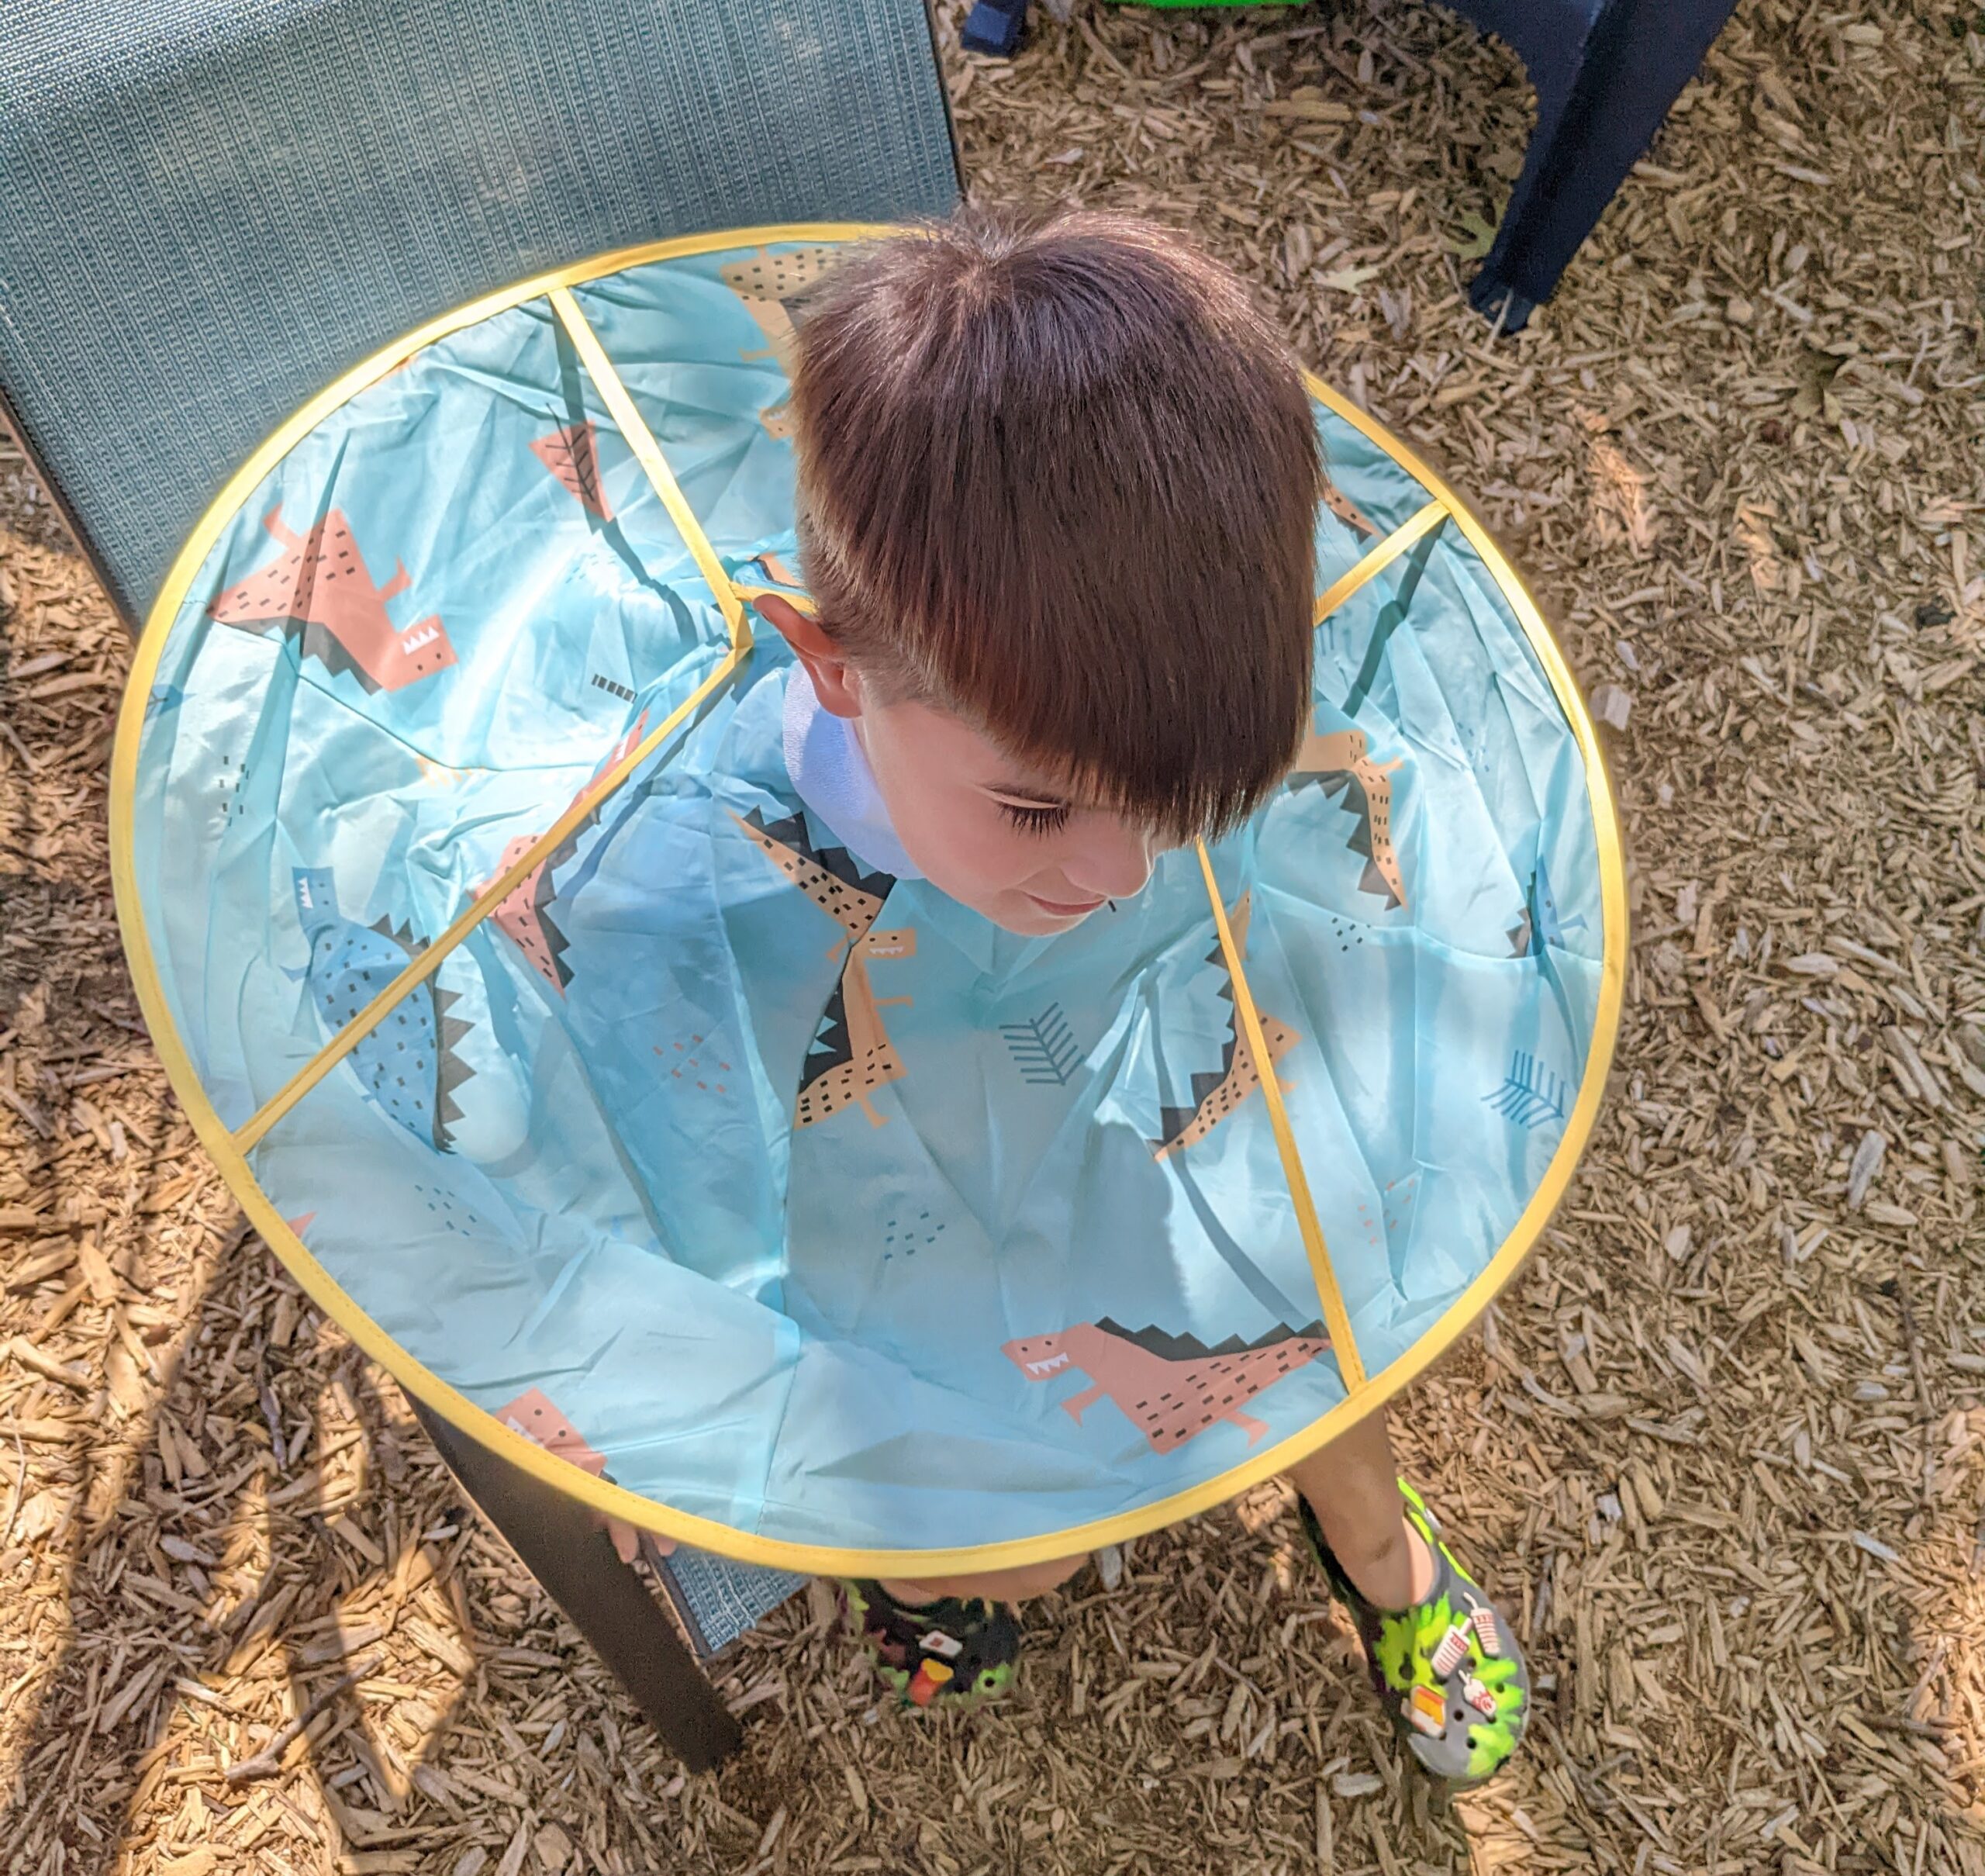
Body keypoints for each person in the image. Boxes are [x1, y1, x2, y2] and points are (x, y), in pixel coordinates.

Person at [737, 203, 1531, 1786]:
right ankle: (927, 1570)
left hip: (1169, 1093)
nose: (1119, 866)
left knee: (1317, 1276)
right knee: (991, 1542)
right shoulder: (732, 872)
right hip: (901, 1194)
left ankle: (1364, 1528)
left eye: (1172, 800)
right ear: (829, 664)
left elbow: (1269, 972)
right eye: (1036, 807)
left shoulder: (1162, 765)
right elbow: (714, 1195)